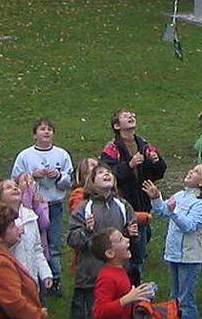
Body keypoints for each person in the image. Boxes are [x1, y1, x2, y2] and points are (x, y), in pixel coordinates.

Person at [100, 108, 166, 284]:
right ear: (116, 125)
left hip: (143, 201)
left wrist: (156, 161)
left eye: (132, 114)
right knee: (128, 245)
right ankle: (126, 281)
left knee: (141, 242)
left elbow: (160, 172)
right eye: (125, 116)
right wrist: (129, 165)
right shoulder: (112, 149)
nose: (131, 116)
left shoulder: (144, 145)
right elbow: (108, 174)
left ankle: (134, 280)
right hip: (123, 203)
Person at [66, 163, 137, 319]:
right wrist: (86, 230)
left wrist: (130, 233)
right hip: (91, 277)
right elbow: (71, 239)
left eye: (109, 172)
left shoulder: (123, 205)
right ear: (91, 182)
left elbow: (128, 238)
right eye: (100, 173)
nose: (106, 174)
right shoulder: (84, 207)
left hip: (118, 276)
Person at [11, 117, 73, 294]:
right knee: (32, 242)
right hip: (30, 206)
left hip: (53, 204)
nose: (46, 132)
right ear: (34, 135)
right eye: (42, 129)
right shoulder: (25, 155)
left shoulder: (62, 154)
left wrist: (58, 176)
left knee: (53, 244)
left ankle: (54, 279)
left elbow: (68, 181)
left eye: (49, 129)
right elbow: (15, 178)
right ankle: (32, 277)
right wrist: (32, 175)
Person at [143, 164, 202, 319]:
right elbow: (162, 210)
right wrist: (156, 198)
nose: (190, 171)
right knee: (174, 297)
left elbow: (189, 226)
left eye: (196, 172)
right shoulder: (180, 195)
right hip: (173, 254)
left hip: (189, 258)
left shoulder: (201, 205)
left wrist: (173, 212)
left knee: (186, 300)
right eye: (192, 169)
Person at [0, 205, 48, 318]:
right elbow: (14, 303)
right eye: (12, 226)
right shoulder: (0, 263)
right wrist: (38, 315)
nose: (17, 228)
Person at [0, 178, 54, 298]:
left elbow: (37, 249)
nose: (15, 188)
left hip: (31, 279)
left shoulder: (30, 216)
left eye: (15, 186)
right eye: (8, 187)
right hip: (10, 280)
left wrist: (45, 273)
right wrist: (12, 238)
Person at [90, 227, 155, 319]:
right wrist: (128, 298)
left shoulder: (120, 270)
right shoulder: (106, 278)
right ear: (110, 253)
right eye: (121, 239)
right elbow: (99, 312)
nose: (127, 240)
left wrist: (140, 295)